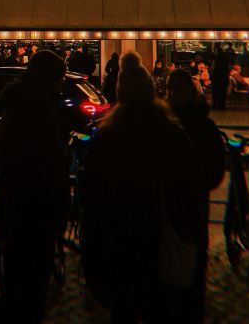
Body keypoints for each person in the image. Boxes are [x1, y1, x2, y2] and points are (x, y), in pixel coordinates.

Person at [81, 52, 203, 323]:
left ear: (120, 93)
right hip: (161, 239)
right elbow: (191, 187)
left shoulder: (107, 139)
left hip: (120, 246)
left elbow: (91, 199)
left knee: (123, 312)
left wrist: (91, 257)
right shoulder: (172, 134)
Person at [0, 50, 69, 324]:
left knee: (15, 286)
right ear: (49, 78)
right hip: (35, 210)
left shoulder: (17, 104)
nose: (62, 84)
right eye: (60, 78)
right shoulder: (38, 110)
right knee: (31, 288)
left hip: (14, 205)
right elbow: (46, 162)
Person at [166, 69, 225, 320]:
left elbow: (215, 170)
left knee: (192, 265)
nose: (173, 93)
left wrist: (195, 184)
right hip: (173, 209)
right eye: (170, 89)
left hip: (191, 207)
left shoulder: (199, 126)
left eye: (177, 88)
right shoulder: (166, 124)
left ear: (191, 92)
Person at [210, 46, 229, 111]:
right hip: (223, 79)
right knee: (222, 93)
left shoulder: (216, 60)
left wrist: (212, 76)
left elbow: (214, 70)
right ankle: (222, 105)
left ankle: (215, 104)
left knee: (215, 92)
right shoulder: (225, 59)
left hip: (217, 79)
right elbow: (227, 70)